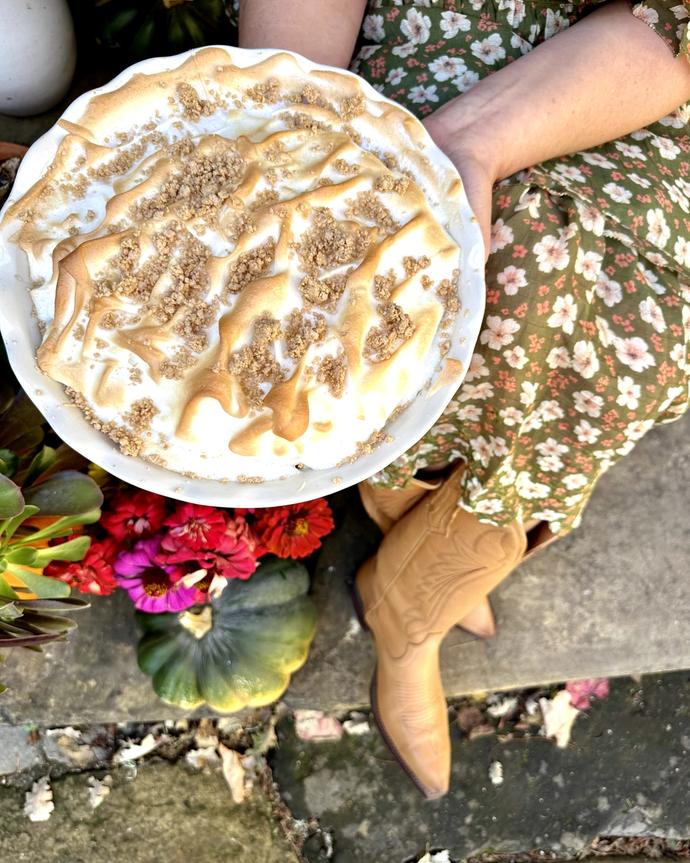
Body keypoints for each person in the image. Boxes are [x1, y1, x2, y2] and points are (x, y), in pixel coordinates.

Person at [240, 0, 690, 798]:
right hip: (436, 19)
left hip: (637, 61)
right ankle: (417, 583)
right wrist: (299, 122)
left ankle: (412, 604)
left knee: (651, 338)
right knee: (449, 283)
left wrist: (472, 140)